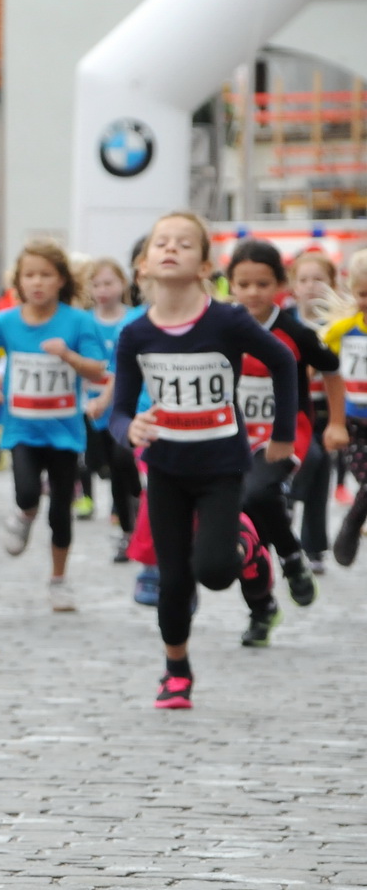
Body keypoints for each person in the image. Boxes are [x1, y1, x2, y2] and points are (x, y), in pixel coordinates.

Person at [111, 212, 299, 709]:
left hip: (221, 467)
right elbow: (119, 412)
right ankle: (176, 670)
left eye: (185, 244)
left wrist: (282, 435)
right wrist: (128, 429)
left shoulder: (227, 320)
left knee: (215, 571)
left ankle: (250, 551)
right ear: (143, 264)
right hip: (167, 471)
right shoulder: (135, 335)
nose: (171, 249)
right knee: (172, 582)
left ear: (203, 265)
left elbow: (282, 361)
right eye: (161, 243)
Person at [0, 242, 109, 611]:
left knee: (61, 511)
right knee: (28, 491)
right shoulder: (5, 322)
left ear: (61, 280)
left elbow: (99, 369)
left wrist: (67, 355)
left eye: (46, 275)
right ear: (18, 281)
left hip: (65, 432)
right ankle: (22, 515)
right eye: (29, 275)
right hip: (22, 428)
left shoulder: (78, 322)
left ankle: (58, 581)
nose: (37, 282)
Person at [224, 240, 344, 644]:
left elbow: (331, 371)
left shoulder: (294, 330)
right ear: (231, 287)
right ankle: (263, 606)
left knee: (255, 495)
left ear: (280, 284)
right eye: (244, 284)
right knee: (242, 523)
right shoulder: (220, 326)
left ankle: (291, 561)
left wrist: (337, 423)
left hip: (285, 435)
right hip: (231, 437)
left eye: (263, 283)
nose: (254, 292)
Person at [76, 256, 140, 562]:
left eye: (109, 283)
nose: (103, 289)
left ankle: (129, 526)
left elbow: (123, 368)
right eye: (97, 284)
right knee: (103, 466)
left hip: (126, 405)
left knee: (122, 461)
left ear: (123, 285)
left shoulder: (133, 319)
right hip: (91, 407)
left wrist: (106, 398)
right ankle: (129, 520)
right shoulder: (84, 321)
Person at [290, 250, 348, 570]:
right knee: (307, 458)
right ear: (293, 286)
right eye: (304, 280)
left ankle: (314, 547)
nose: (311, 286)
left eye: (319, 279)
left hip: (326, 410)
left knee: (320, 473)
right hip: (292, 407)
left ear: (332, 284)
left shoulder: (337, 325)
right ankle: (285, 499)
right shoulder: (286, 320)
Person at [320, 249, 367, 567]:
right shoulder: (343, 329)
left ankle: (353, 521)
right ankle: (352, 523)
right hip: (354, 421)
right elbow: (322, 363)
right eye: (364, 294)